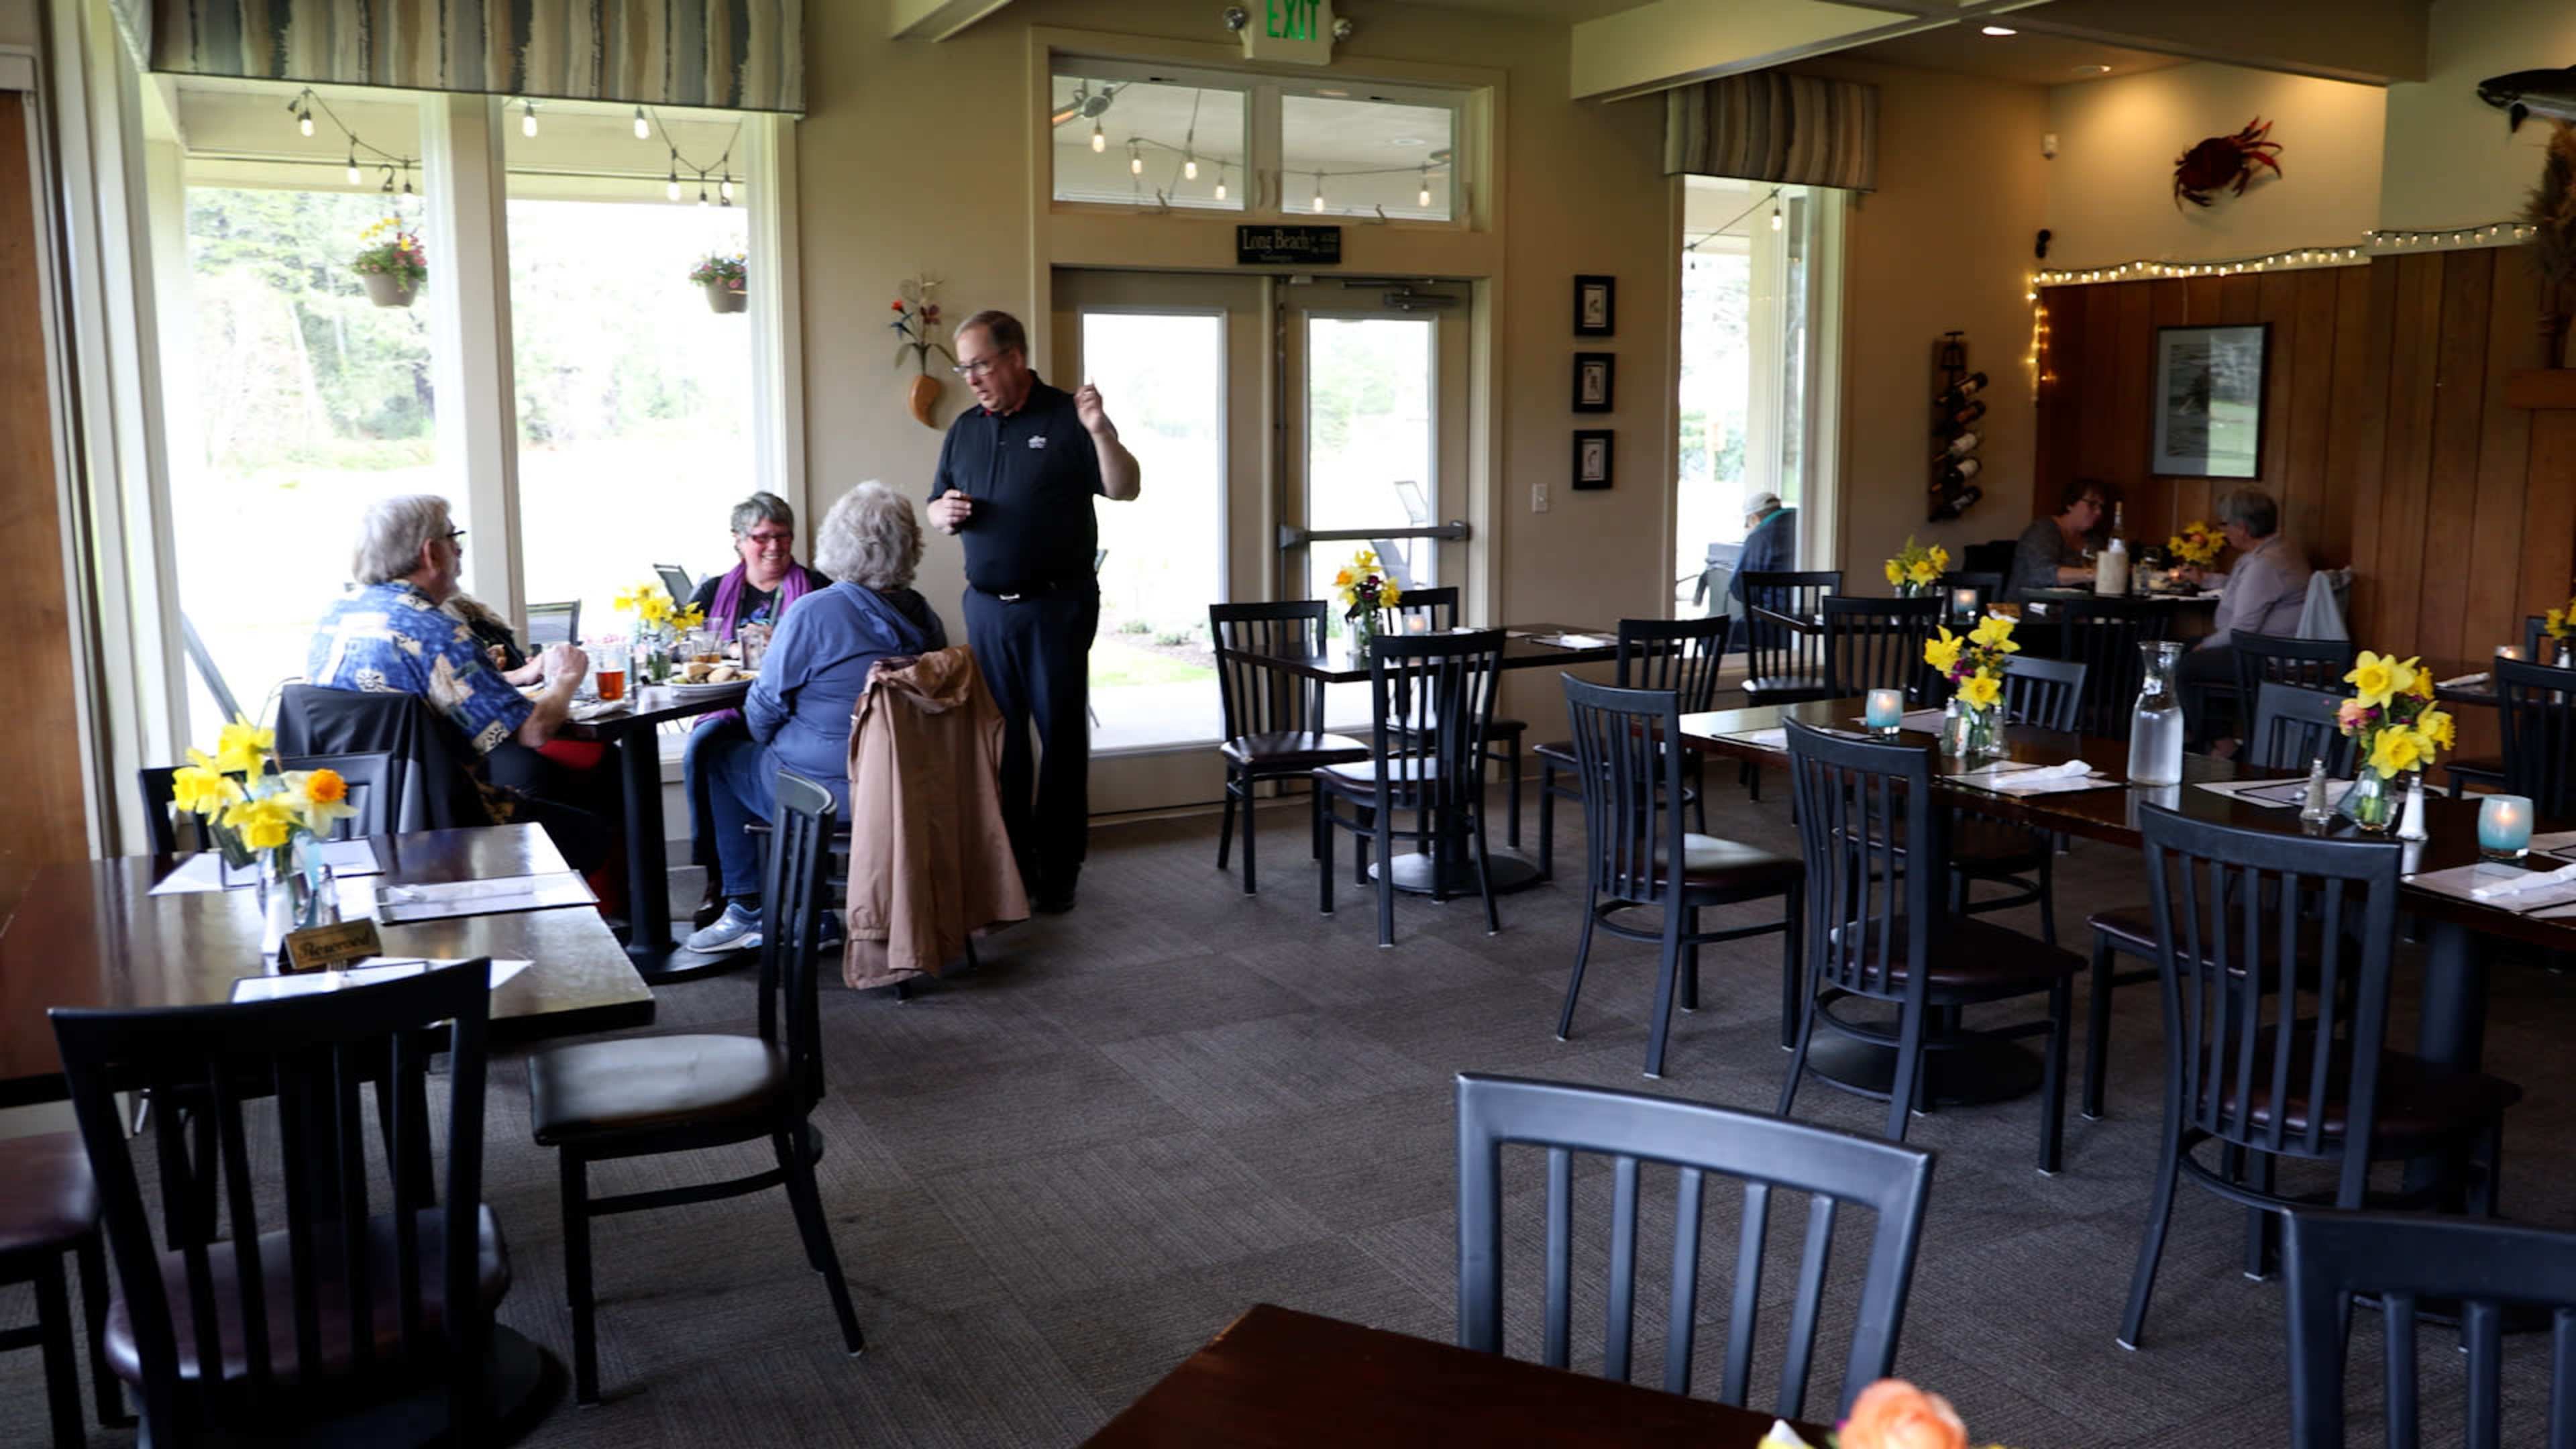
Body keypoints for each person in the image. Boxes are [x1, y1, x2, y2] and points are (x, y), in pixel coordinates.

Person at [926, 309, 1140, 914]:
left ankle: (1061, 868)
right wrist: (939, 515)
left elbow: (1125, 487)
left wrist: (1102, 431)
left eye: (979, 365)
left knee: (1061, 737)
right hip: (988, 609)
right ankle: (1013, 863)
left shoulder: (1070, 416)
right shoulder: (965, 429)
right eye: (963, 367)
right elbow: (937, 501)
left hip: (1057, 605)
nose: (970, 378)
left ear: (1015, 357)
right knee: (1004, 743)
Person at [684, 484, 948, 954]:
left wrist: (773, 735)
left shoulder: (814, 610)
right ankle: (816, 912)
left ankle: (748, 907)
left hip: (827, 794)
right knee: (797, 758)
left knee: (716, 757)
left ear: (838, 541)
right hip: (905, 786)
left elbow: (762, 709)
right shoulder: (923, 616)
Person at [307, 495, 614, 871]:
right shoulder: (437, 631)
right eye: (454, 537)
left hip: (354, 815)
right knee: (591, 834)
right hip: (445, 816)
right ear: (431, 553)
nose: (458, 549)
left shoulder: (334, 617)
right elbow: (533, 731)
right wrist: (565, 679)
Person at [682, 492, 834, 927]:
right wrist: (732, 649)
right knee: (703, 749)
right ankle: (725, 880)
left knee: (787, 759)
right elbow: (687, 653)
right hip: (731, 710)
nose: (774, 547)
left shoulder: (819, 589)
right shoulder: (712, 591)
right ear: (738, 540)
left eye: (783, 537)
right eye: (761, 537)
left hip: (795, 713)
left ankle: (791, 893)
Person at [2178, 486, 2312, 749]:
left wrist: (2205, 645)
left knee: (2185, 664)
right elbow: (2249, 588)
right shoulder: (2281, 549)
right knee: (2183, 651)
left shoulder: (2265, 563)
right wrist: (2206, 579)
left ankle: (2210, 743)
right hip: (2273, 648)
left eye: (2225, 524)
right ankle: (2215, 738)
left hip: (2267, 655)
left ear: (2242, 529)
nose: (2223, 531)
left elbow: (2241, 631)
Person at [2010, 478, 2109, 599]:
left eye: (2101, 506)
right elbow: (2043, 573)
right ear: (2070, 504)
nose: (2099, 512)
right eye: (2092, 504)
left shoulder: (2094, 540)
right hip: (2029, 608)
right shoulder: (2043, 530)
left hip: (2074, 610)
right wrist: (2093, 574)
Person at [1727, 490, 1797, 608]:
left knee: (1734, 625)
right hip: (1812, 612)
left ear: (1754, 518)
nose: (1747, 527)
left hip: (1775, 614)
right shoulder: (1804, 523)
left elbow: (1742, 589)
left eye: (1748, 522)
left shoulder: (1761, 535)